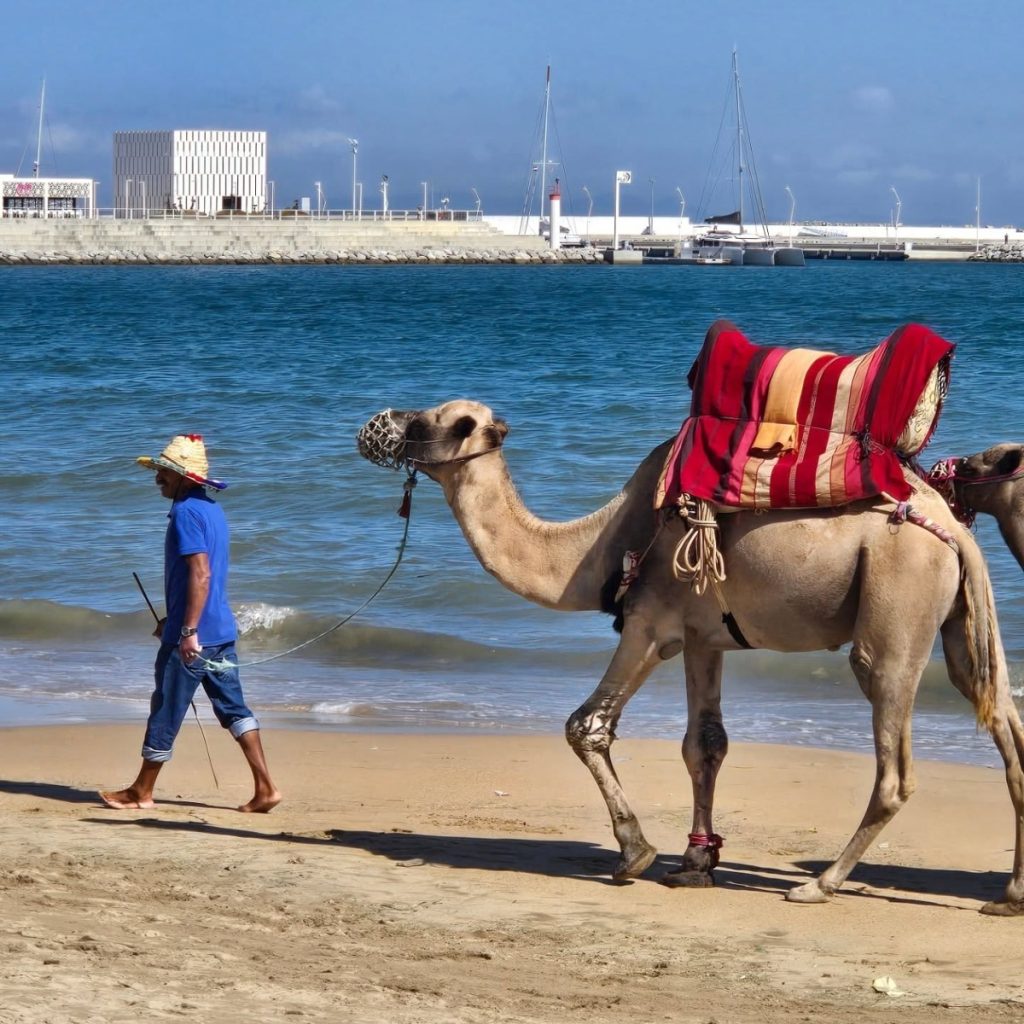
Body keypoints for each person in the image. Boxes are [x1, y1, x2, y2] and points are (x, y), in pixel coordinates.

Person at [100, 434, 281, 813]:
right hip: (220, 631)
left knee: (166, 706)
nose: (158, 479)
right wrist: (175, 618)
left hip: (195, 637)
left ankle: (141, 792)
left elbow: (200, 575)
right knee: (235, 710)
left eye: (164, 472)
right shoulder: (212, 510)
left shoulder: (184, 513)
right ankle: (266, 788)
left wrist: (186, 631)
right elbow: (202, 580)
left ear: (184, 477)